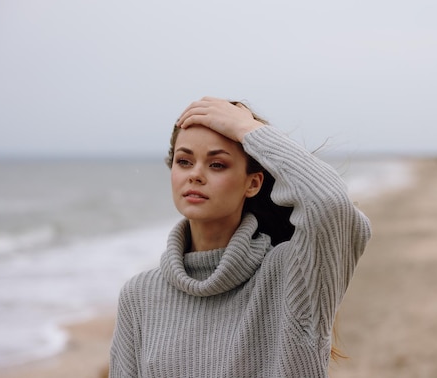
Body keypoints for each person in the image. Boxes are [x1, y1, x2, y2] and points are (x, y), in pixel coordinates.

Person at [109, 97, 371, 377]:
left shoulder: (290, 275)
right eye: (184, 161)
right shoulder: (139, 296)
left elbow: (330, 204)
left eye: (217, 164)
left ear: (253, 183)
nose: (195, 175)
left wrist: (248, 129)